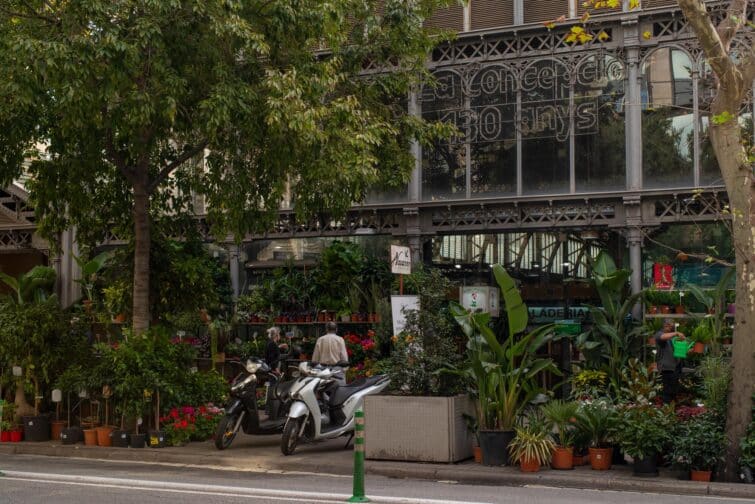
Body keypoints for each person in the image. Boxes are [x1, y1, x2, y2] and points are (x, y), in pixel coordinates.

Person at [656, 318, 685, 404]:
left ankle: (671, 410)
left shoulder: (671, 337)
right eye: (670, 327)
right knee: (667, 391)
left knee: (673, 391)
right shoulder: (660, 334)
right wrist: (676, 333)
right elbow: (662, 337)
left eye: (672, 327)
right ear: (665, 325)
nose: (671, 328)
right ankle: (666, 410)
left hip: (675, 367)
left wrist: (686, 350)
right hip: (667, 368)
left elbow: (676, 350)